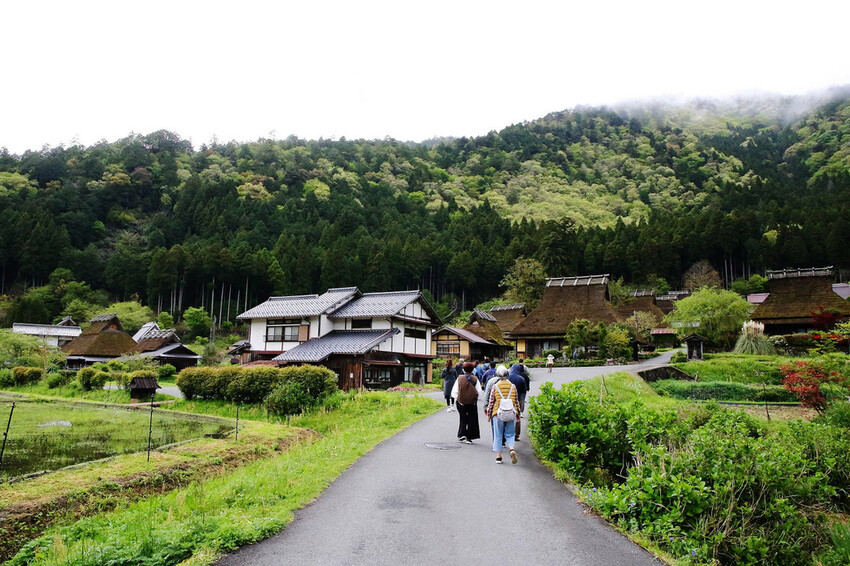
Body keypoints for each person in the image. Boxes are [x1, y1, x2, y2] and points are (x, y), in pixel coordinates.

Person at [486, 365, 520, 464]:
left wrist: (489, 415)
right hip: (511, 413)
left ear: (498, 375)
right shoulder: (513, 386)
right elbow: (516, 401)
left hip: (498, 414)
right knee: (510, 434)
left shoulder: (495, 386)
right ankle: (512, 449)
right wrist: (518, 414)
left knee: (498, 435)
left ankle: (499, 457)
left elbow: (491, 402)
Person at [451, 361, 481, 444]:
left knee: (463, 418)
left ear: (464, 369)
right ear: (472, 369)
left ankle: (461, 434)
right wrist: (475, 399)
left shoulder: (460, 378)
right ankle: (469, 437)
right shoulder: (475, 379)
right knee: (471, 419)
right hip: (472, 403)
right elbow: (479, 391)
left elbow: (454, 391)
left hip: (461, 402)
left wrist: (458, 399)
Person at [508, 362, 528, 441]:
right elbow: (524, 391)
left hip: (508, 400)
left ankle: (508, 433)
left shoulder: (508, 377)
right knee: (517, 417)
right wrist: (522, 401)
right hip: (518, 399)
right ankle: (516, 435)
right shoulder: (521, 379)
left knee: (507, 417)